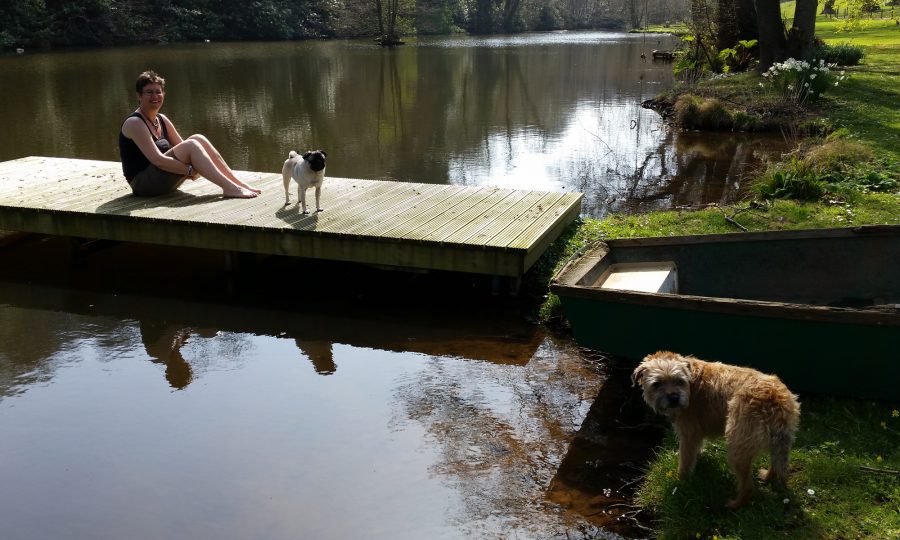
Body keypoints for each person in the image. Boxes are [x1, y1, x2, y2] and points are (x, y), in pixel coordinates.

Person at [118, 70, 261, 198]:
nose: (155, 96)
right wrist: (190, 170)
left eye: (158, 92)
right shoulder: (135, 123)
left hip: (162, 179)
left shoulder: (162, 119)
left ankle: (237, 183)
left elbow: (184, 147)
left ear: (163, 94)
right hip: (143, 185)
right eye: (149, 92)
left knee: (198, 138)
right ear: (139, 95)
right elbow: (158, 160)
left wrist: (194, 166)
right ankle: (230, 188)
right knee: (192, 144)